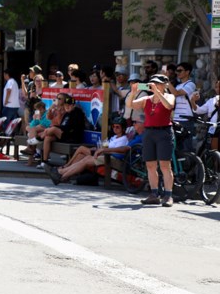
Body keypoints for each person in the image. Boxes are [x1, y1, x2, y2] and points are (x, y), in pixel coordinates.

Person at [129, 73, 176, 206]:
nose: (154, 85)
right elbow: (129, 104)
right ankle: (154, 194)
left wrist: (158, 93)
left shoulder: (169, 96)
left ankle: (168, 195)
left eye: (157, 83)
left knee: (165, 165)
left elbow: (168, 106)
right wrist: (133, 92)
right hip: (149, 133)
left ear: (164, 85)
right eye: (152, 83)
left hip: (164, 133)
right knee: (150, 165)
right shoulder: (147, 99)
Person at [46, 117, 135, 184]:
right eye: (113, 126)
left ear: (123, 128)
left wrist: (103, 150)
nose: (115, 128)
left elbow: (118, 153)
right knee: (84, 157)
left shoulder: (123, 139)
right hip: (105, 155)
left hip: (112, 159)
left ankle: (61, 174)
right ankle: (62, 175)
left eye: (117, 127)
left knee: (84, 158)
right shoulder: (114, 137)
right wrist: (100, 149)